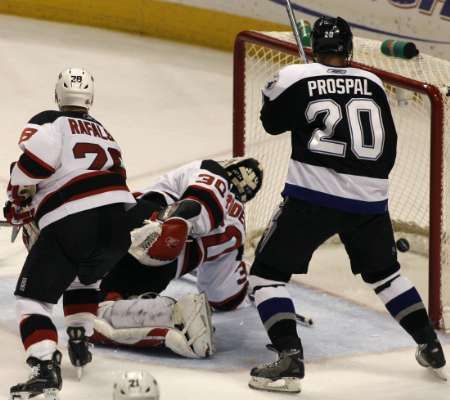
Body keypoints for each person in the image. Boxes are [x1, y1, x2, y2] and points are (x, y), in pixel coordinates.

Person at [247, 16, 446, 393]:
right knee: (386, 275)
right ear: (349, 50)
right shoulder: (372, 81)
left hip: (312, 199)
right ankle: (429, 344)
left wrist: (282, 88)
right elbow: (387, 146)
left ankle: (290, 359)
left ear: (315, 46)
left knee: (267, 275)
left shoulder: (294, 76)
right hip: (369, 202)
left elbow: (272, 124)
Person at [5, 68, 135, 398]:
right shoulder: (106, 132)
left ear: (57, 95)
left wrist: (16, 200)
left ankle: (45, 367)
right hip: (118, 227)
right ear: (90, 98)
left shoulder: (54, 123)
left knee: (31, 299)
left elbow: (32, 166)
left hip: (75, 221)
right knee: (84, 278)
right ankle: (80, 336)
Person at [92, 157, 263, 358]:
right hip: (158, 275)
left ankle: (160, 230)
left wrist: (173, 226)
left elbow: (202, 199)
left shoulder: (210, 168)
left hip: (136, 225)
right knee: (103, 303)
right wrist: (251, 285)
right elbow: (223, 297)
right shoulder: (239, 230)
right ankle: (149, 314)